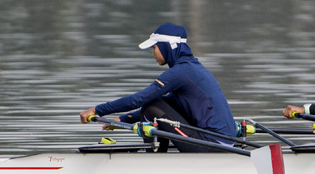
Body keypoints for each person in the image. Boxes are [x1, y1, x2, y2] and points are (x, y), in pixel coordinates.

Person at [79, 23, 235, 152]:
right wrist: (121, 119)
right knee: (156, 104)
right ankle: (158, 156)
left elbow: (138, 100)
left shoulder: (180, 72)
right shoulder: (191, 68)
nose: (153, 52)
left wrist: (97, 110)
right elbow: (167, 106)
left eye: (154, 47)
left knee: (151, 106)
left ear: (166, 47)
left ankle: (155, 160)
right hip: (223, 142)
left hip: (213, 145)